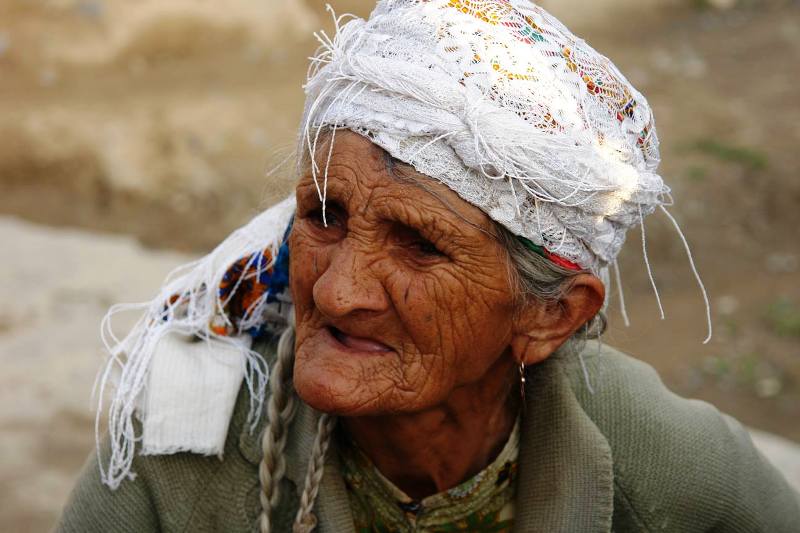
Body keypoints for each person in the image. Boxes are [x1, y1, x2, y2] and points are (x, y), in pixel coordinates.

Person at [57, 1, 800, 532]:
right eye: (324, 215)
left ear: (552, 313)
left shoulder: (667, 465)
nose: (337, 289)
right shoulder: (188, 451)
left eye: (419, 243)